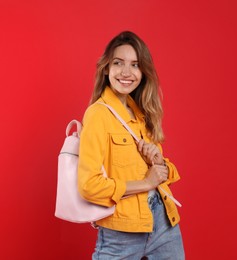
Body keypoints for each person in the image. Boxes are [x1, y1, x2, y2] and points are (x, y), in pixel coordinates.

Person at [77, 31, 185, 259]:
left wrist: (157, 161)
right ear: (106, 68)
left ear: (142, 72)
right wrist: (146, 183)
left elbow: (165, 174)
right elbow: (88, 185)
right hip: (121, 232)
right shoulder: (98, 114)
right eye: (118, 63)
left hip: (164, 222)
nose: (127, 72)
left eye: (135, 65)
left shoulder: (142, 114)